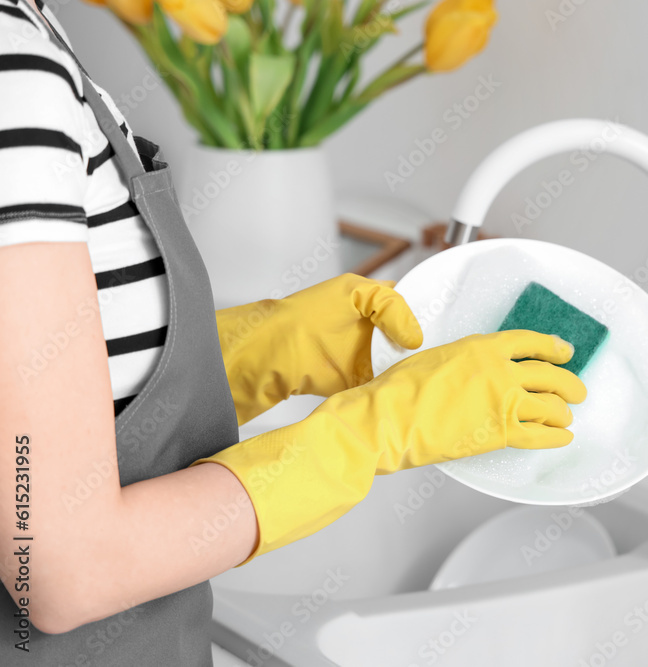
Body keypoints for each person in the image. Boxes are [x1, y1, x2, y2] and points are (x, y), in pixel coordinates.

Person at [0, 1, 587, 663]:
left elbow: (55, 387)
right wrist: (369, 434)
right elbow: (58, 569)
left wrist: (257, 350)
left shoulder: (32, 38)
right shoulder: (14, 74)